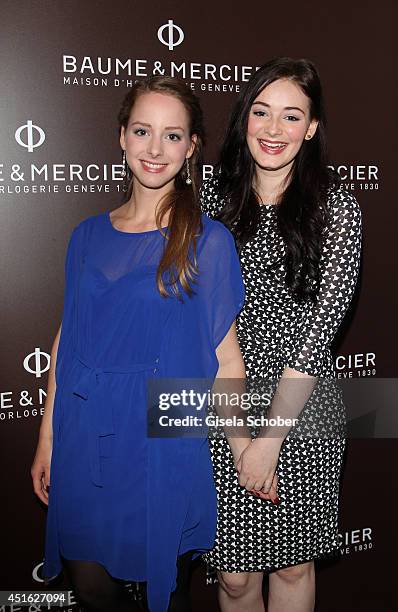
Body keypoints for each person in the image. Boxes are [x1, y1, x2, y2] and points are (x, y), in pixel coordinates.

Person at [31, 76, 246, 612]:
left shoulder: (207, 239)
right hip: (83, 434)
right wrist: (47, 435)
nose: (156, 149)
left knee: (162, 592)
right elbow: (69, 338)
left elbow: (224, 356)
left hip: (162, 438)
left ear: (192, 146)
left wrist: (246, 448)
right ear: (121, 137)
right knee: (92, 590)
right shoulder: (86, 236)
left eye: (173, 136)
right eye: (143, 131)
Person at [200, 57, 362, 612]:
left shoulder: (337, 207)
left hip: (304, 405)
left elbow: (321, 329)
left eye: (291, 117)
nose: (273, 130)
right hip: (226, 404)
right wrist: (242, 438)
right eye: (262, 113)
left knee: (294, 567)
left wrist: (269, 441)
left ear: (312, 127)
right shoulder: (209, 206)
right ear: (244, 117)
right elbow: (207, 326)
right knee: (235, 579)